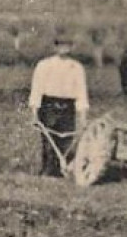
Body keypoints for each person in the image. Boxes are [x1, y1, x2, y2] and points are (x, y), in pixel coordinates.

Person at [28, 34, 90, 178]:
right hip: (49, 105)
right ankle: (48, 172)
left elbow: (81, 94)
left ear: (72, 47)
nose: (64, 48)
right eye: (60, 45)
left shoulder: (77, 67)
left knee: (66, 142)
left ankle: (62, 172)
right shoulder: (44, 65)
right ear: (55, 47)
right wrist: (34, 113)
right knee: (49, 141)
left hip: (68, 107)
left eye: (67, 45)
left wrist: (83, 117)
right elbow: (36, 90)